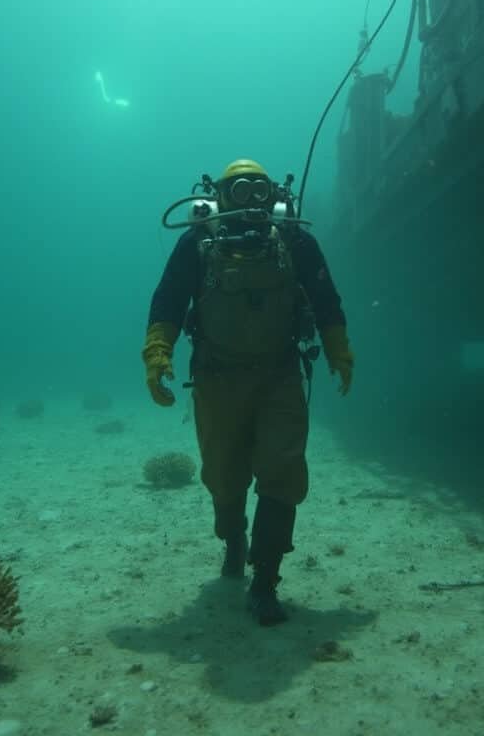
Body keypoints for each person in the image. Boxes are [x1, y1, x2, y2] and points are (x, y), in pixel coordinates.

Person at [141, 158, 355, 625]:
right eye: (239, 190)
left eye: (259, 190)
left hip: (279, 378)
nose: (251, 199)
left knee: (282, 472)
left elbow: (325, 300)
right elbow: (169, 300)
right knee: (223, 474)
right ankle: (233, 539)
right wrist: (158, 352)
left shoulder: (295, 241)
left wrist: (339, 349)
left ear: (273, 193)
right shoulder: (197, 243)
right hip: (218, 380)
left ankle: (265, 582)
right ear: (218, 196)